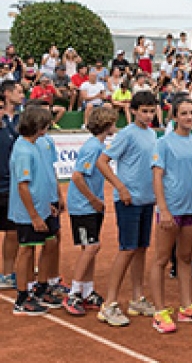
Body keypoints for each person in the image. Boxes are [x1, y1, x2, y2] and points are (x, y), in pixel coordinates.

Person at [96, 90, 159, 327]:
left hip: (146, 200)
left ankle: (137, 298)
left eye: (151, 110)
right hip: (128, 201)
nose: (148, 115)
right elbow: (102, 162)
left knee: (141, 249)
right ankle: (109, 303)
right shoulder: (127, 134)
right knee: (127, 249)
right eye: (144, 111)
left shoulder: (152, 134)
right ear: (133, 111)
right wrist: (120, 187)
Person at [149, 98, 192, 333]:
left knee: (185, 258)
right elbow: (157, 176)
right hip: (171, 209)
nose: (189, 117)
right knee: (161, 259)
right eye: (184, 113)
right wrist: (163, 207)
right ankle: (159, 310)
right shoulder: (163, 143)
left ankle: (185, 306)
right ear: (175, 117)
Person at [65, 105, 117, 316]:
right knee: (92, 247)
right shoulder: (92, 148)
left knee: (90, 247)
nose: (116, 125)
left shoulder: (99, 146)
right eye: (113, 122)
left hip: (90, 205)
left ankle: (87, 290)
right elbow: (77, 176)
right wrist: (93, 199)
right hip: (83, 206)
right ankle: (74, 293)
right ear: (106, 125)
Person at [8, 105, 60, 315]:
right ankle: (22, 298)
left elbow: (41, 180)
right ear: (38, 126)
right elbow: (23, 186)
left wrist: (47, 204)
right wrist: (34, 215)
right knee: (26, 250)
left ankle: (41, 287)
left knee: (51, 243)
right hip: (28, 213)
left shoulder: (35, 145)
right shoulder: (22, 151)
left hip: (42, 209)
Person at [0, 80, 24, 289]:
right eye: (18, 91)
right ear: (7, 94)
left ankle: (7, 274)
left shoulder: (20, 120)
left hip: (12, 185)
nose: (22, 94)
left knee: (12, 231)